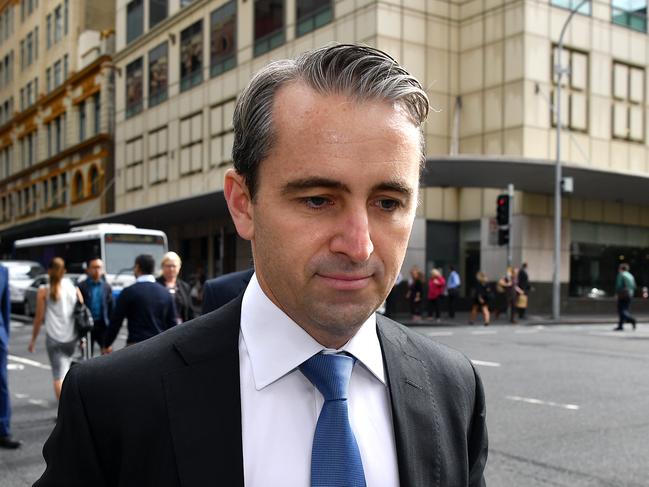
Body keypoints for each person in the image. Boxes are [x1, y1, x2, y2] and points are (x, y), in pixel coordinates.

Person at [34, 45, 487, 487]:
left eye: (388, 202)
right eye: (317, 200)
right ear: (243, 204)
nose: (359, 245)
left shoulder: (453, 387)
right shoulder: (115, 402)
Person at [28, 258, 83, 401]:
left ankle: (64, 412)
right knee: (67, 372)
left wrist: (33, 340)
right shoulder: (73, 288)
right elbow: (81, 309)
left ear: (49, 271)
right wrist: (82, 337)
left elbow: (38, 318)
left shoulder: (44, 291)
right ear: (64, 270)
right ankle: (71, 408)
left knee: (58, 376)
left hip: (54, 338)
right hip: (72, 337)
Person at [102, 254, 177, 353]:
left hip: (135, 348)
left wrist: (106, 344)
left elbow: (116, 322)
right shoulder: (165, 293)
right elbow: (173, 324)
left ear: (137, 267)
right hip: (160, 348)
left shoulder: (128, 292)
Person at [0, 263, 21, 449]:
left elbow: (5, 307)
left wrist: (5, 337)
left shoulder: (3, 271)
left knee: (2, 385)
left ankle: (3, 430)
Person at [77, 258, 113, 356]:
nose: (97, 270)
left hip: (102, 325)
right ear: (88, 269)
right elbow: (78, 309)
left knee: (107, 355)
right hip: (87, 325)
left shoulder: (106, 287)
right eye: (94, 267)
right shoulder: (81, 286)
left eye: (99, 267)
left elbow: (111, 307)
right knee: (87, 355)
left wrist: (110, 325)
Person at [156, 251, 195, 324]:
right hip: (161, 330)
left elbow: (190, 312)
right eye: (168, 266)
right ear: (162, 266)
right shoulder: (155, 285)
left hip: (181, 329)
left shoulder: (184, 287)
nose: (171, 269)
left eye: (174, 266)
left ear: (179, 267)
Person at [614, 263, 637, 331]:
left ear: (621, 268)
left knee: (621, 310)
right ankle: (620, 325)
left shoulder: (621, 274)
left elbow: (618, 285)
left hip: (623, 294)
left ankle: (632, 320)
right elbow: (634, 286)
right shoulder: (630, 275)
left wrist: (616, 294)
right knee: (625, 309)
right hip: (630, 294)